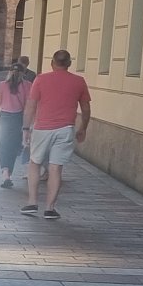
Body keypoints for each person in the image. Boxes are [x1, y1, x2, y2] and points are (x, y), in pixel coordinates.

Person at [22, 50, 92, 219]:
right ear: (69, 64)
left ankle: (32, 202)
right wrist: (83, 128)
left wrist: (26, 128)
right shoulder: (79, 81)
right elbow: (86, 108)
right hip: (65, 129)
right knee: (56, 167)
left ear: (52, 63)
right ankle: (49, 208)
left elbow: (31, 105)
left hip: (42, 128)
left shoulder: (41, 79)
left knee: (35, 163)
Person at [0, 64, 31, 189]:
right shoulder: (27, 85)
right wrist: (28, 123)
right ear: (23, 73)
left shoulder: (3, 85)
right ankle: (9, 173)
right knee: (13, 147)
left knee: (2, 145)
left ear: (9, 72)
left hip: (5, 117)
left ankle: (5, 173)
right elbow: (28, 105)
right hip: (18, 117)